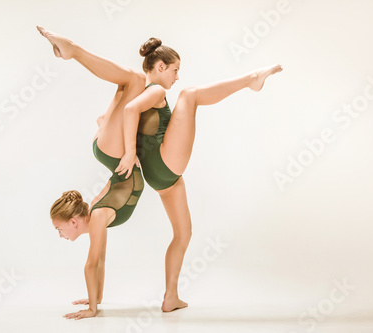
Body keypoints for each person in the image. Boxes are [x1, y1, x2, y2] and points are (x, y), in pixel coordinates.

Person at [114, 38, 283, 312]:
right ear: (160, 66)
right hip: (162, 163)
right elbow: (130, 110)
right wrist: (129, 153)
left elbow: (127, 109)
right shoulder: (155, 90)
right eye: (174, 70)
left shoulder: (143, 89)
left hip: (162, 176)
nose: (177, 76)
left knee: (183, 233)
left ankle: (171, 298)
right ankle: (251, 79)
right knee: (190, 95)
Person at [37, 26, 146, 320]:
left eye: (60, 229)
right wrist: (95, 296)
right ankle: (101, 118)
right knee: (128, 84)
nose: (60, 235)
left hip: (112, 153)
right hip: (110, 151)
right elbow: (101, 263)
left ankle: (73, 50)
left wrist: (92, 310)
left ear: (74, 221)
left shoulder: (97, 216)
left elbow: (91, 263)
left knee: (136, 79)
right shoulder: (97, 214)